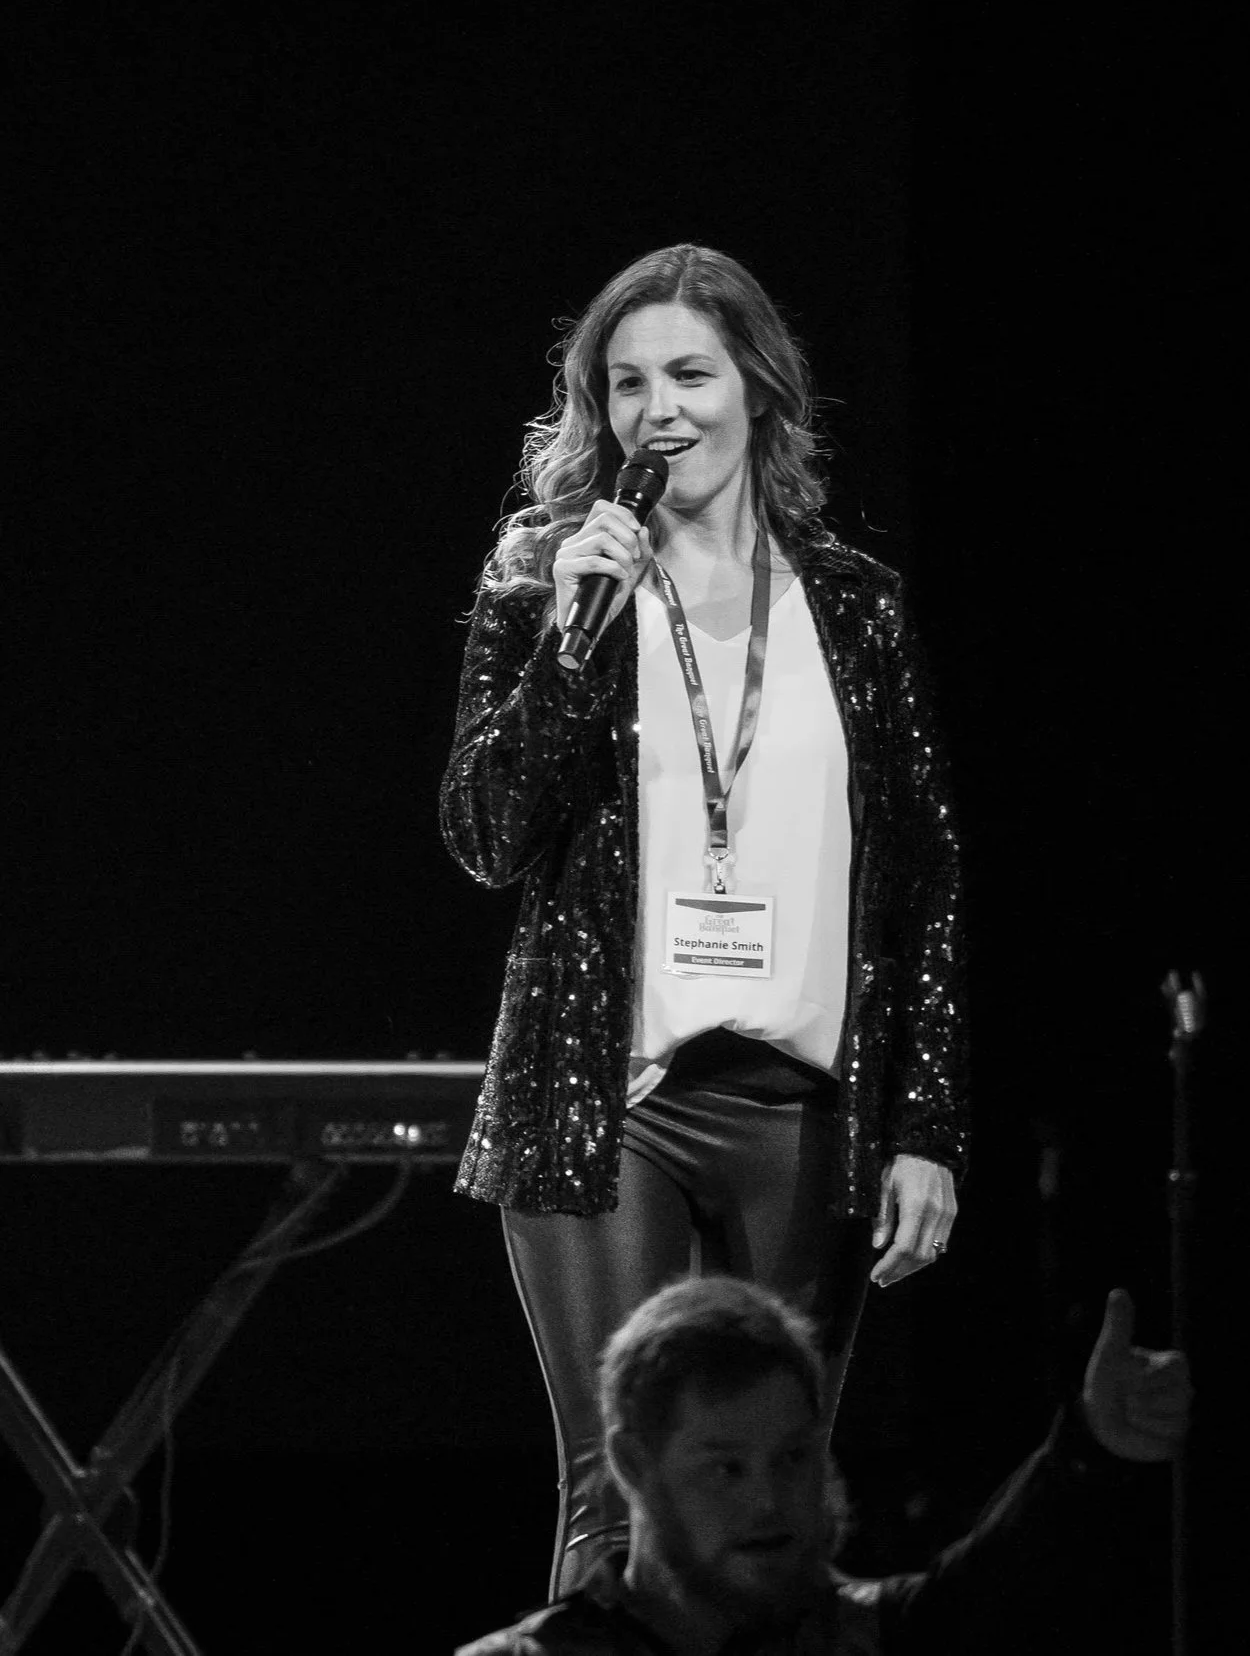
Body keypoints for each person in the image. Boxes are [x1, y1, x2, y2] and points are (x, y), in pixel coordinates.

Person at [440, 244, 968, 1596]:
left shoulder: (851, 605)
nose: (656, 408)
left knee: (766, 1510)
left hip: (801, 1107)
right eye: (624, 383)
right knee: (621, 1507)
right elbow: (486, 834)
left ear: (756, 388)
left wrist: (924, 1125)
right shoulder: (545, 579)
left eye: (687, 372)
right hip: (603, 1099)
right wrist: (570, 642)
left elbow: (920, 877)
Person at [455, 1275, 1194, 1655]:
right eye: (726, 1467)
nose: (769, 1500)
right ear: (631, 1464)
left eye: (792, 1457)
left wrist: (1096, 1444)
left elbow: (993, 1584)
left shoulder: (873, 1637)